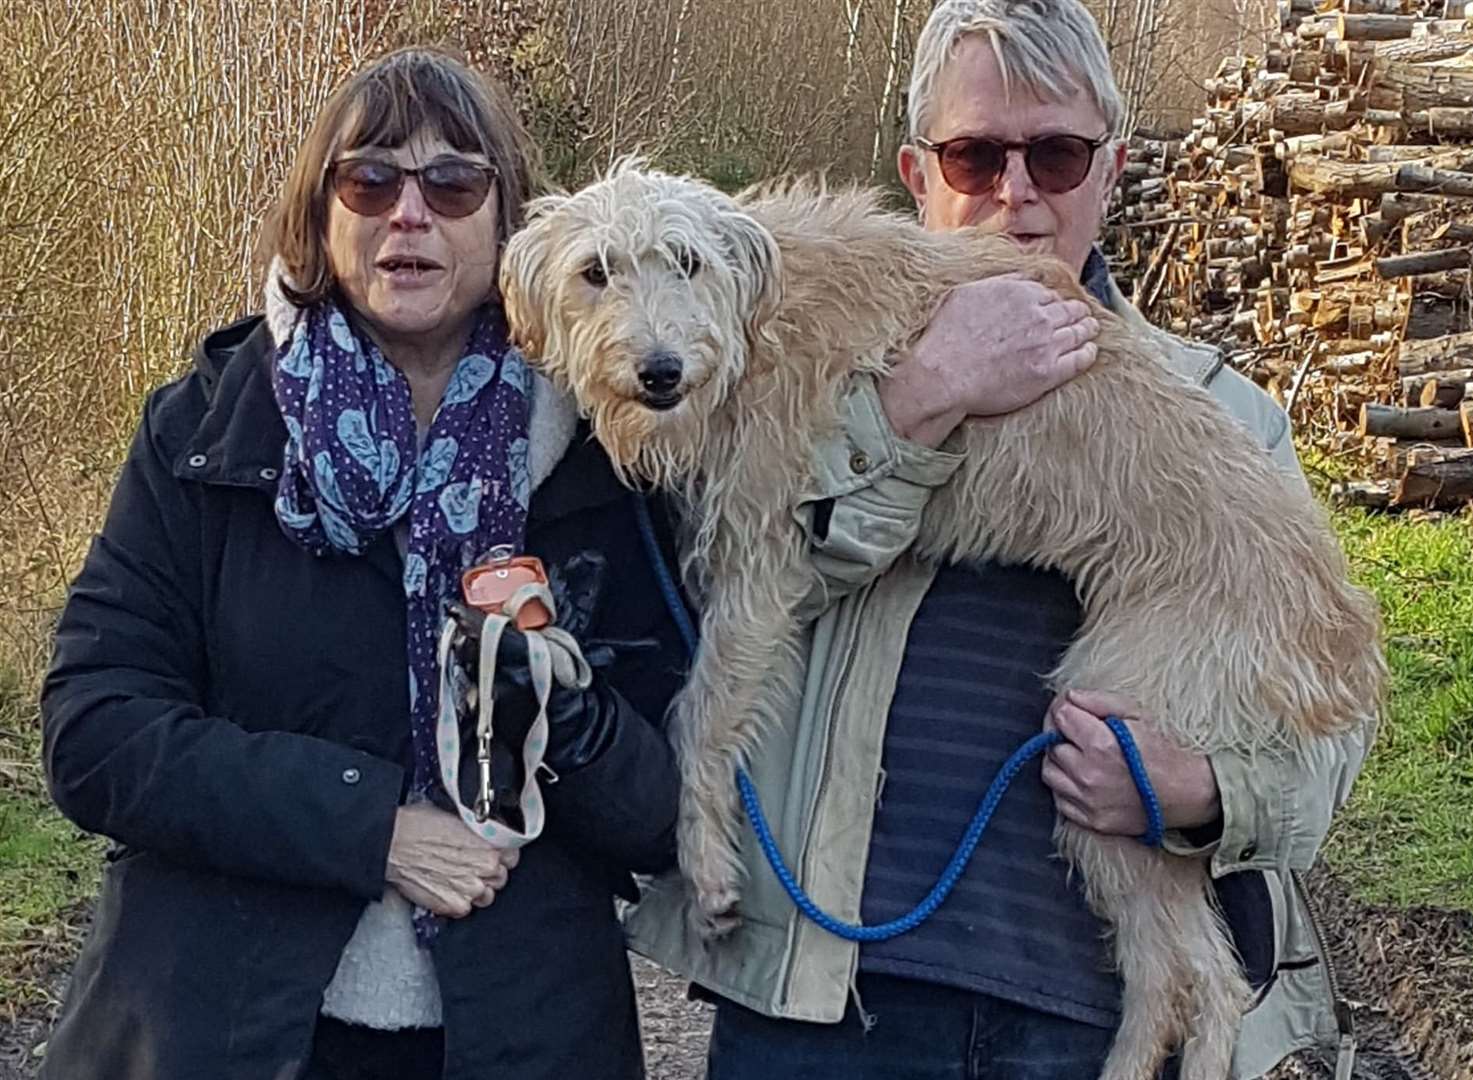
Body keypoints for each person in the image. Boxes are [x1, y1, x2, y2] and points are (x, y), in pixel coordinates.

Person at [625, 3, 1371, 1078]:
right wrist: (921, 399)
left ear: (1110, 171)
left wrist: (1208, 790)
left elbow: (1326, 721)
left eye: (1056, 155)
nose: (1015, 191)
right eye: (975, 154)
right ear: (917, 173)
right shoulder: (787, 362)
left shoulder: (1224, 416)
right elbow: (735, 586)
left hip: (1074, 1015)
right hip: (827, 1010)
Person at [39, 46, 692, 1080]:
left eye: (454, 183)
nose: (410, 214)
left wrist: (549, 701)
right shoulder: (209, 430)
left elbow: (666, 810)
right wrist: (367, 826)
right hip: (223, 1029)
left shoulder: (613, 461)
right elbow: (97, 733)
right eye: (371, 179)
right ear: (322, 209)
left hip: (523, 1034)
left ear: (509, 223)